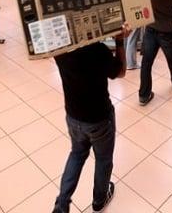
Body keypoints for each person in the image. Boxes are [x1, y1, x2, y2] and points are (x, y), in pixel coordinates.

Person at [52, 23, 130, 213]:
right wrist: (120, 41)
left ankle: (61, 204)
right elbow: (120, 72)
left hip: (73, 116)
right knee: (103, 159)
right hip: (99, 118)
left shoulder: (59, 49)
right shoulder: (98, 51)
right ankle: (99, 200)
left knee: (77, 154)